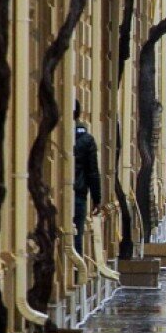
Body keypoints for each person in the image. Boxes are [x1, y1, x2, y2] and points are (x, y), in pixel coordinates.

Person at [72, 100, 101, 254]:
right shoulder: (87, 140)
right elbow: (93, 173)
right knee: (77, 236)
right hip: (79, 195)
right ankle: (76, 276)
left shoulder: (57, 136)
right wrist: (97, 199)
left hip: (58, 196)